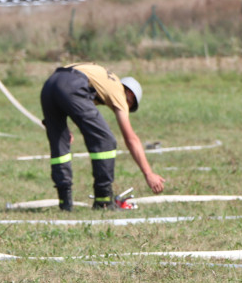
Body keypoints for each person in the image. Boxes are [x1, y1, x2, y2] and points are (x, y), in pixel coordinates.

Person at [40, 62, 165, 211]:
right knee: (105, 140)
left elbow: (64, 89)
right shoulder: (119, 90)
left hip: (50, 85)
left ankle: (65, 204)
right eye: (129, 105)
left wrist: (59, 126)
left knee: (60, 146)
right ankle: (103, 201)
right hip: (72, 84)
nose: (125, 108)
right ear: (130, 94)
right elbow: (130, 138)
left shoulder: (101, 80)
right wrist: (148, 173)